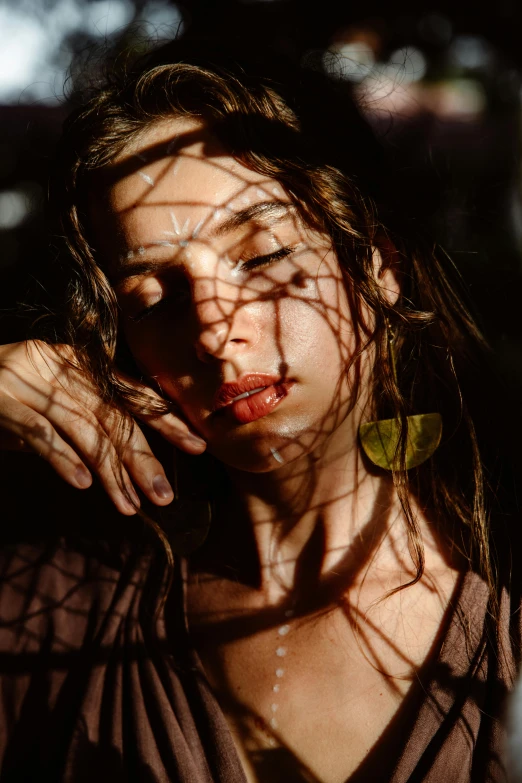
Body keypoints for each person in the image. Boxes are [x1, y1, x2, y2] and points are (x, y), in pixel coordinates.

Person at [0, 36, 519, 783]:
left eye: (263, 255)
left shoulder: (504, 611)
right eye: (152, 296)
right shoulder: (64, 609)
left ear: (379, 262)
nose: (213, 326)